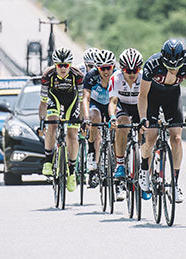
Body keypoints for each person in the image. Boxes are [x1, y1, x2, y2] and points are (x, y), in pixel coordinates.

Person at [137, 39, 186, 203]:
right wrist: (143, 118)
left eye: (176, 67)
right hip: (152, 96)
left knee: (177, 139)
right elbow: (142, 96)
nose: (173, 70)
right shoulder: (152, 64)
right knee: (150, 138)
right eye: (169, 67)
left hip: (172, 97)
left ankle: (175, 183)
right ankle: (144, 168)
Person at [39, 47, 84, 192]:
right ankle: (48, 160)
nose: (63, 68)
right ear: (55, 65)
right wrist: (41, 121)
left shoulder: (77, 75)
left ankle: (71, 171)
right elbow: (43, 101)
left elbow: (82, 100)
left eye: (66, 65)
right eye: (60, 65)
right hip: (54, 98)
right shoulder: (48, 75)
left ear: (70, 65)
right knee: (52, 123)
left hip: (72, 100)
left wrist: (84, 119)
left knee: (72, 135)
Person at [108, 48, 145, 201]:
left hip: (139, 107)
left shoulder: (144, 78)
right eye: (127, 70)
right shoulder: (115, 78)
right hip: (123, 106)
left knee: (146, 131)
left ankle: (145, 171)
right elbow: (113, 102)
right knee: (123, 123)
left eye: (135, 69)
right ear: (121, 69)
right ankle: (120, 164)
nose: (131, 73)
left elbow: (151, 101)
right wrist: (112, 117)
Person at [82, 49, 116, 188]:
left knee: (118, 127)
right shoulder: (91, 76)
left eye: (108, 68)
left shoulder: (118, 76)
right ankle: (91, 151)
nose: (105, 72)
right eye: (102, 68)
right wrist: (86, 118)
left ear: (113, 67)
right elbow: (85, 98)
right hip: (96, 104)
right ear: (97, 68)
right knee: (94, 116)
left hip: (111, 104)